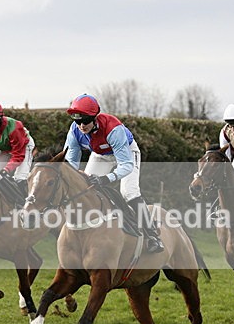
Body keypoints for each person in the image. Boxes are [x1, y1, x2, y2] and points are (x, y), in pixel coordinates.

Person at [63, 93, 164, 254]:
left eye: (85, 121)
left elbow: (126, 165)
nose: (81, 126)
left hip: (127, 155)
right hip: (101, 155)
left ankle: (152, 235)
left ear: (95, 117)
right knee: (85, 188)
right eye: (77, 121)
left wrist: (106, 179)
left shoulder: (113, 129)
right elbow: (71, 163)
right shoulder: (75, 131)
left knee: (128, 192)